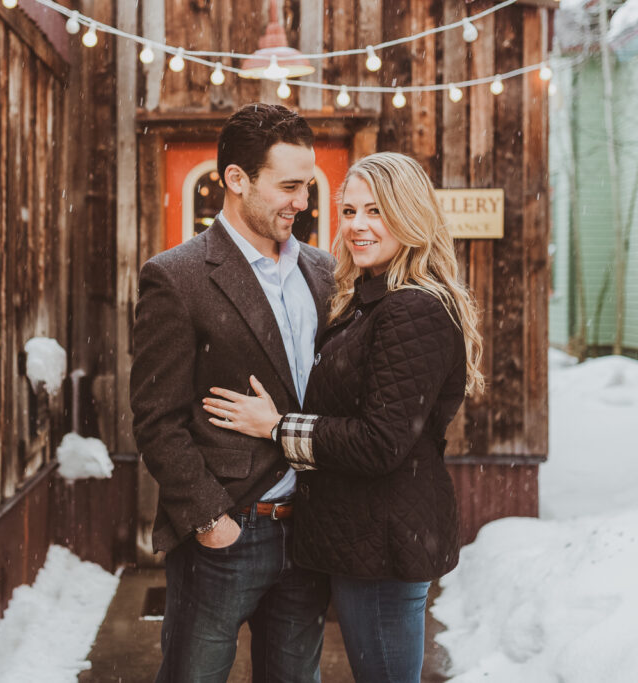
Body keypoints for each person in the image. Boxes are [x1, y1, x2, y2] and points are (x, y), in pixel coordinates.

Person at [202, 151, 485, 683]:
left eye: (375, 211)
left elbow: (381, 442)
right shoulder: (370, 298)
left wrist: (276, 427)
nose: (357, 226)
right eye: (349, 210)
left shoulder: (412, 308)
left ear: (410, 215)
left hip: (382, 542)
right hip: (364, 537)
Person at [130, 103, 336, 682]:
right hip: (227, 534)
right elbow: (155, 418)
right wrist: (210, 519)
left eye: (308, 184)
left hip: (311, 533)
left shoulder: (322, 271)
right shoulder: (177, 275)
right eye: (289, 186)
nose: (303, 200)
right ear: (237, 180)